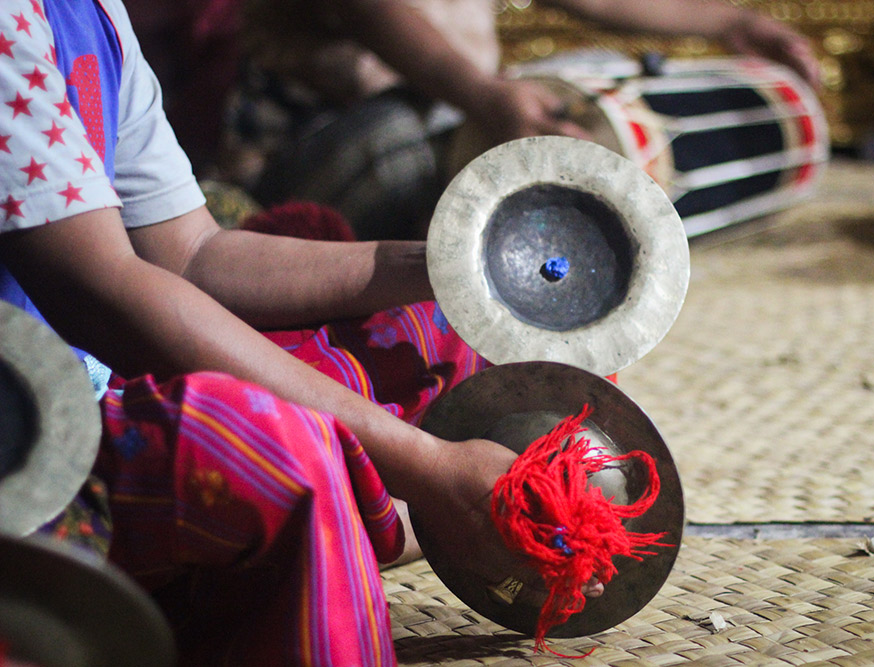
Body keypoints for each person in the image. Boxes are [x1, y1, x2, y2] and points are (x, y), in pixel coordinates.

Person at [0, 1, 599, 664]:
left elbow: (193, 253)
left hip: (98, 379)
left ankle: (374, 515)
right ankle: (392, 516)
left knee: (449, 332)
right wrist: (430, 467)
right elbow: (105, 298)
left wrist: (457, 264)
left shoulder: (95, 12)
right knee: (278, 450)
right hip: (24, 448)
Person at [230, 0, 822, 241]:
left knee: (592, 75)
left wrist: (732, 24)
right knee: (398, 137)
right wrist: (486, 98)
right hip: (314, 166)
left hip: (450, 122)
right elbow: (371, 11)